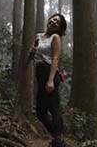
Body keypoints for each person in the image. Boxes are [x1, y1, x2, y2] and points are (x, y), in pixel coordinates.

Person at [28, 13, 67, 147]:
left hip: (50, 72)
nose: (54, 22)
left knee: (53, 107)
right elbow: (31, 55)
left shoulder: (55, 37)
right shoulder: (38, 36)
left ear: (59, 28)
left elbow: (55, 58)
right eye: (53, 19)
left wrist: (50, 80)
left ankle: (58, 141)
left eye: (58, 23)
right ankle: (57, 136)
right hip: (40, 72)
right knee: (40, 111)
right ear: (49, 20)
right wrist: (32, 50)